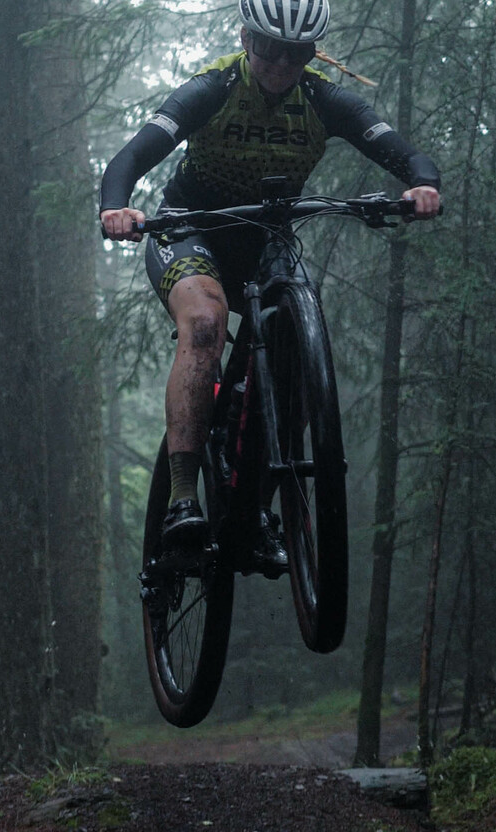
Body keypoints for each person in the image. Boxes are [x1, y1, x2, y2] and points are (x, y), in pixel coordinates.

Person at [100, 0, 442, 568]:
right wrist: (117, 206)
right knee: (205, 324)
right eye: (269, 48)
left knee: (301, 355)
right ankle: (183, 498)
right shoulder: (211, 89)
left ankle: (253, 504)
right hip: (191, 230)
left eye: (298, 52)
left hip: (266, 242)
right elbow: (132, 156)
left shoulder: (323, 99)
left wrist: (422, 185)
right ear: (245, 38)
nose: (282, 64)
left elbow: (402, 152)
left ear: (312, 55)